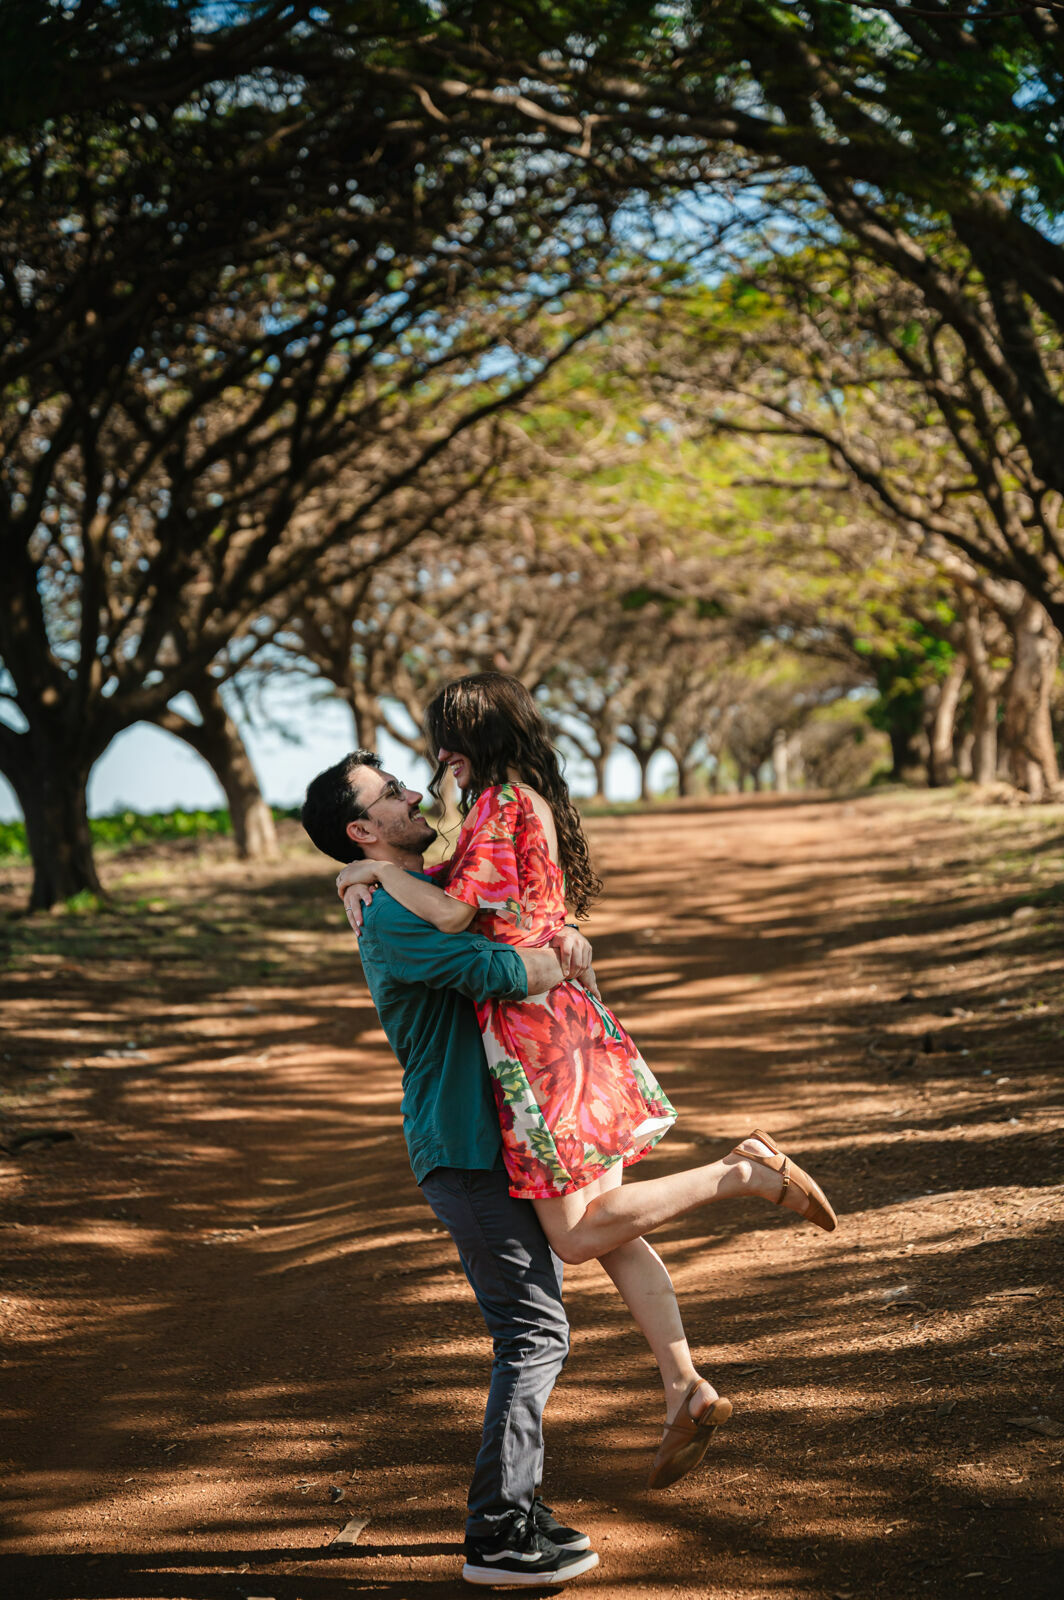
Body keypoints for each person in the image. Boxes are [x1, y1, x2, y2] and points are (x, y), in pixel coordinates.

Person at [334, 673, 839, 1494]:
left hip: (533, 1044)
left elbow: (461, 919)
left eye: (444, 744)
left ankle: (744, 1171)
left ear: (469, 744)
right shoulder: (523, 800)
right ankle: (684, 1386)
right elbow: (518, 913)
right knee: (610, 1231)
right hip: (558, 1025)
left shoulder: (498, 808)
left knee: (572, 1236)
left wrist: (372, 877)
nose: (435, 763)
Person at [301, 750, 600, 1587]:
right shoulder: (395, 913)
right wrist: (560, 956)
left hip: (490, 1140)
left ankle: (518, 1509)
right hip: (463, 1150)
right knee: (534, 1334)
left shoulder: (408, 889)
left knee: (537, 1326)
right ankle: (497, 1534)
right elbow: (500, 970)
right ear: (361, 831)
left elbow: (492, 909)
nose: (408, 793)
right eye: (388, 793)